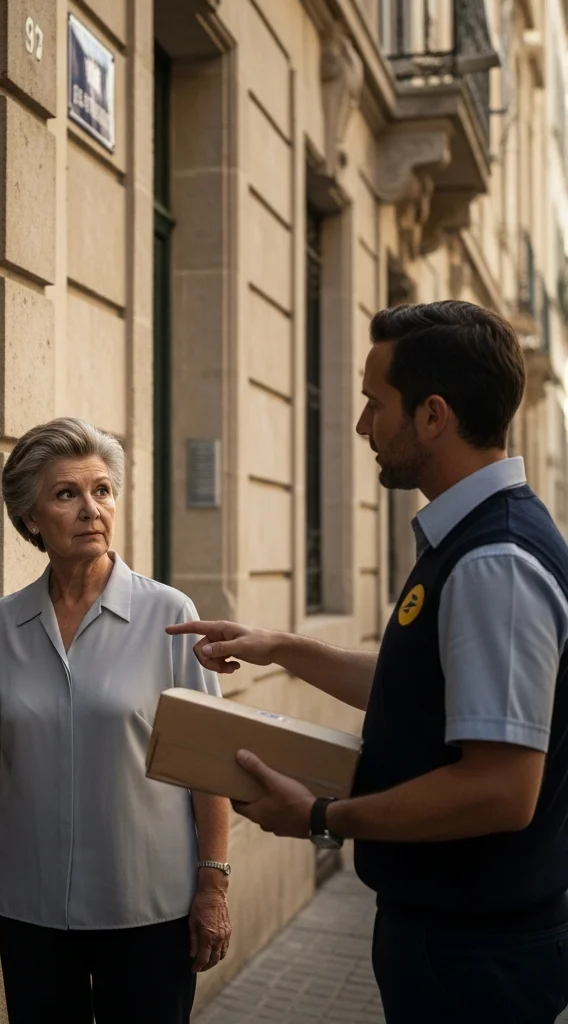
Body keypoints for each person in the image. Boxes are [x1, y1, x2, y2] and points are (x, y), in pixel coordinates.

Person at [168, 301, 568, 1023]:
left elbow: (503, 789)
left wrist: (323, 817)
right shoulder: (473, 542)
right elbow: (425, 687)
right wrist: (282, 647)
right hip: (456, 939)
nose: (361, 427)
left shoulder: (493, 560)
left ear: (433, 415)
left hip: (473, 955)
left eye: (373, 403)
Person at [0, 417, 232, 1024]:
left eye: (101, 490)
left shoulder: (169, 615)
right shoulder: (2, 625)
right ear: (30, 519)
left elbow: (211, 763)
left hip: (148, 907)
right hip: (32, 908)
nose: (91, 509)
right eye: (66, 494)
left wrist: (214, 885)